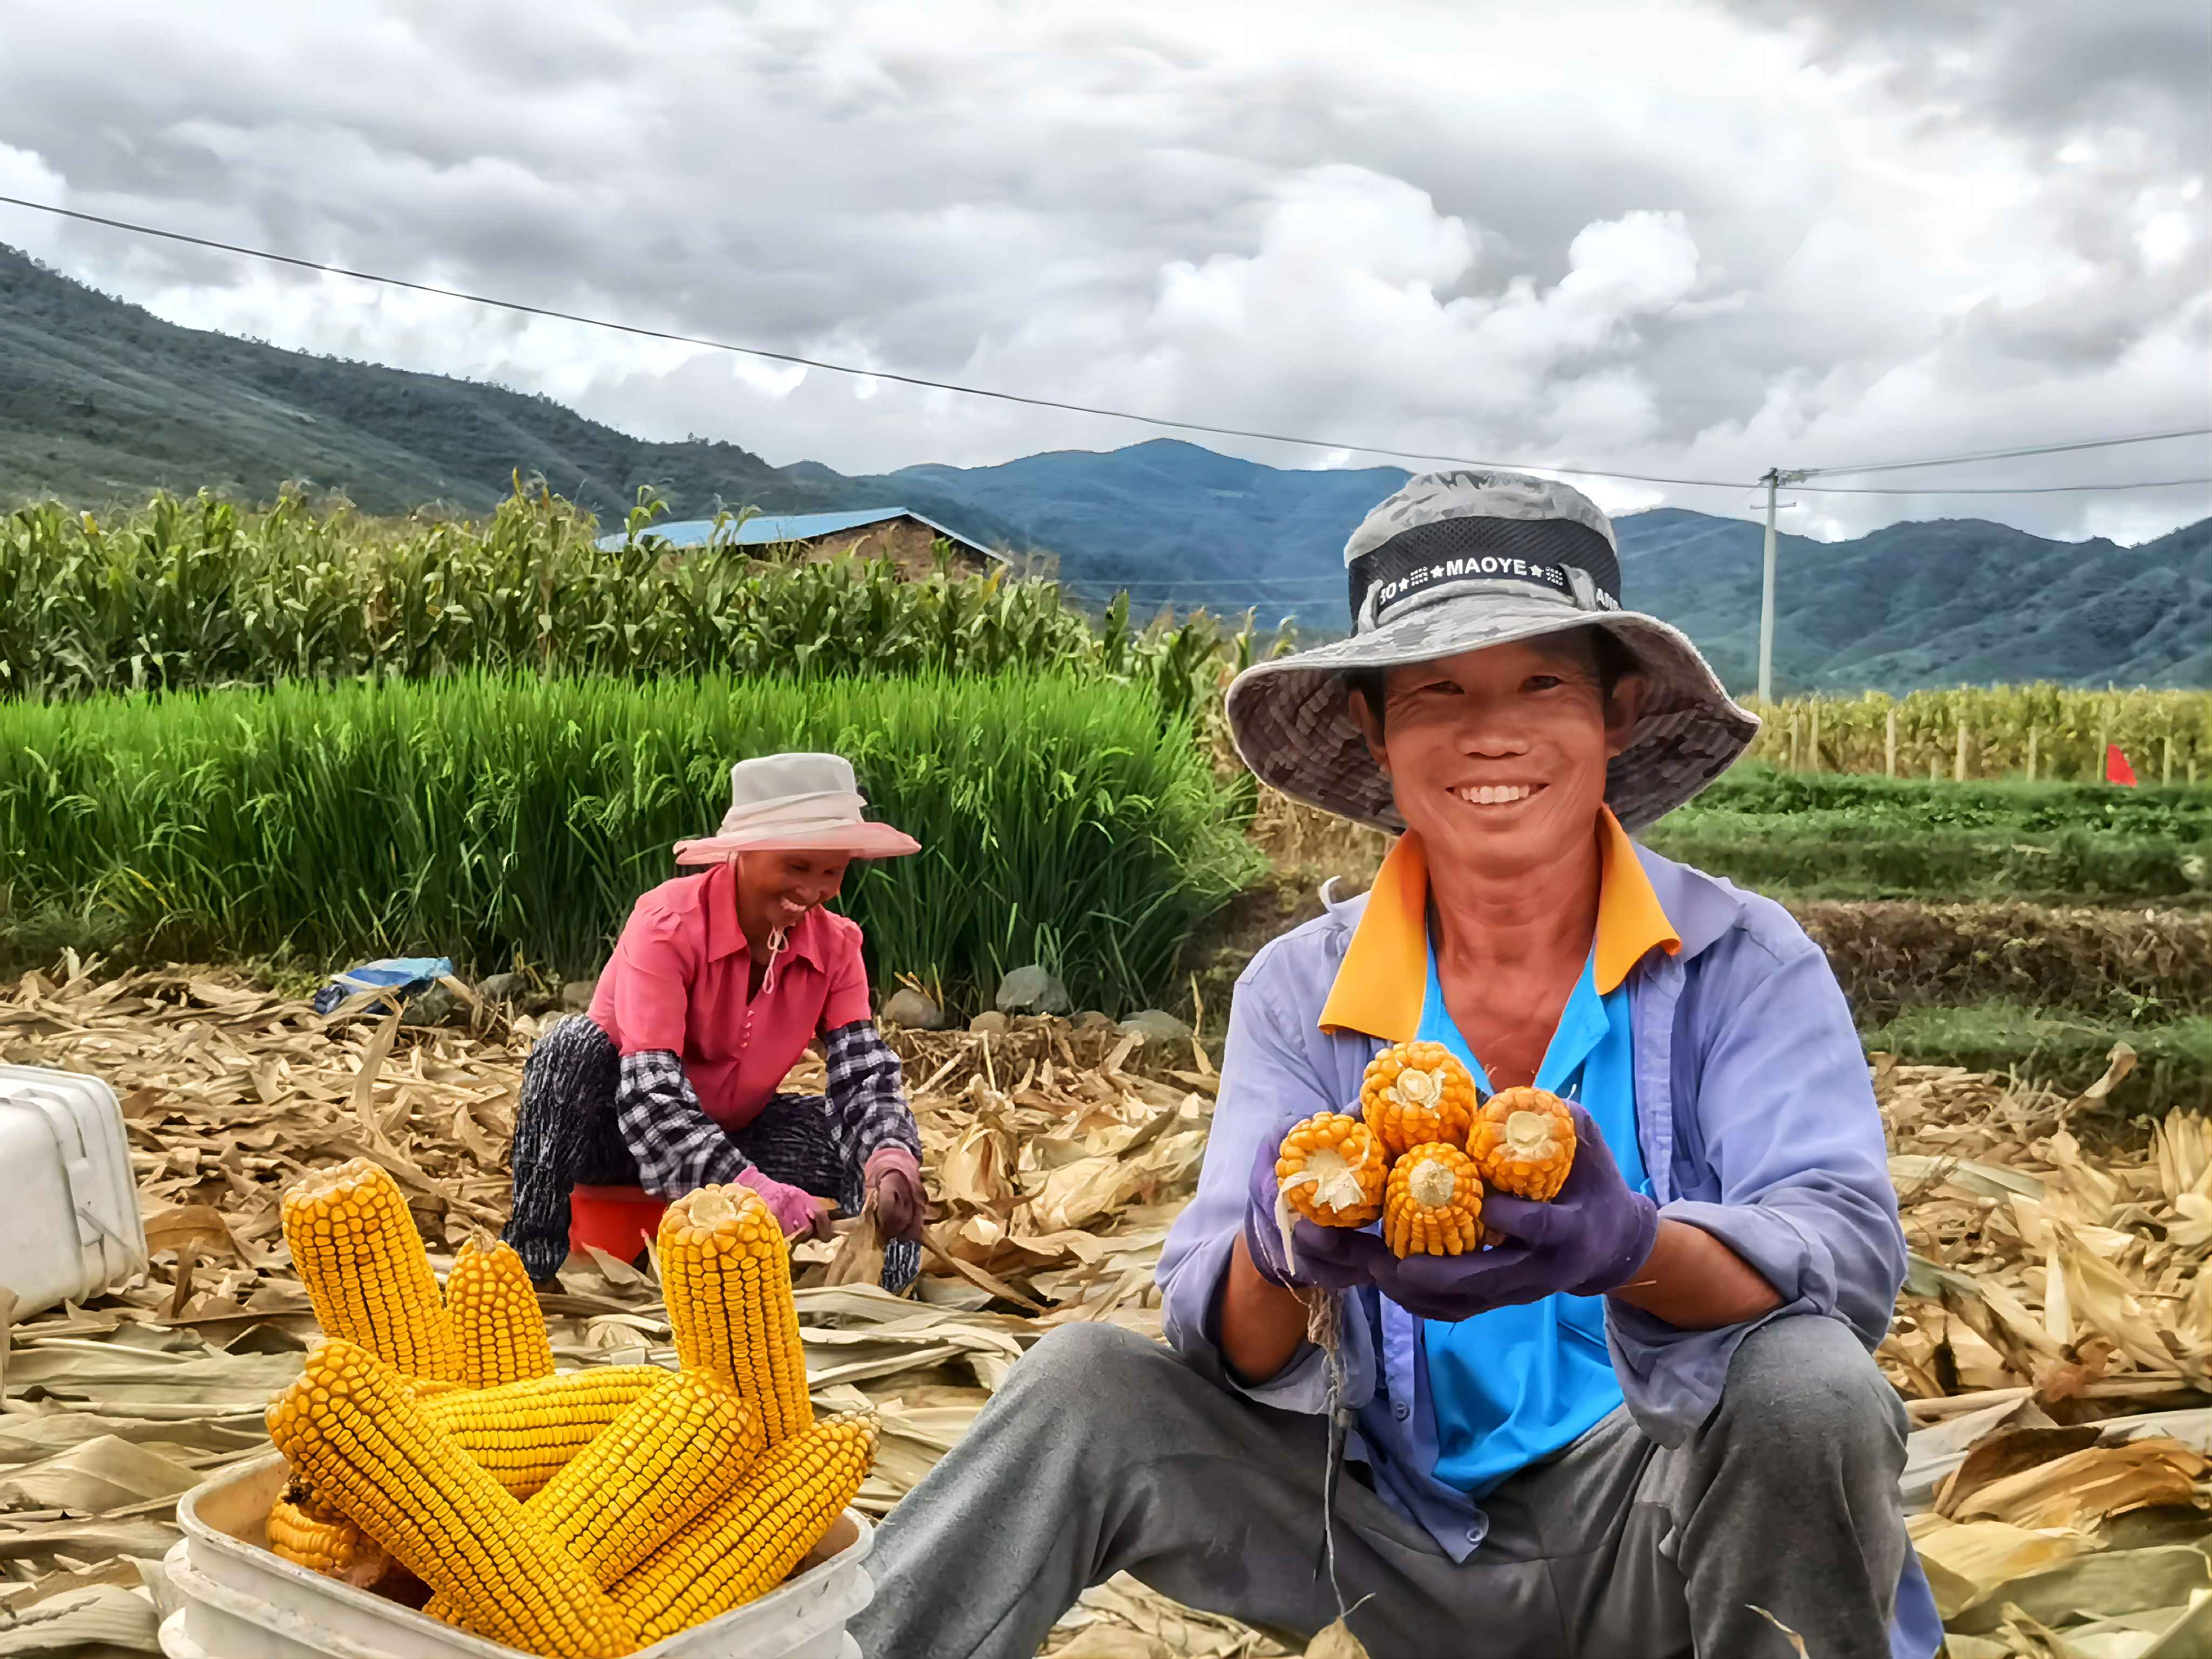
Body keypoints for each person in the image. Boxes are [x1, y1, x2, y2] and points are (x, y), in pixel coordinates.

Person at [852, 473, 1943, 1659]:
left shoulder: (1738, 960)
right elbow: (1221, 1339)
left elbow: (1841, 1260)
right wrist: (1281, 1254)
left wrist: (1627, 1245)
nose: (1491, 731)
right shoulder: (1297, 988)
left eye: (1541, 681)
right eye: (1436, 692)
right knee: (1081, 1384)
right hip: (1374, 1538)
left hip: (1658, 1524)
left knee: (1803, 1384)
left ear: (1615, 711)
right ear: (1375, 727)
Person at [504, 752, 928, 1294]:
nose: (814, 890)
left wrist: (890, 1162)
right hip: (614, 1137)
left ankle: (881, 1295)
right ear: (742, 856)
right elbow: (651, 1098)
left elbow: (864, 1080)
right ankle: (529, 1268)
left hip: (732, 1132)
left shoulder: (838, 946)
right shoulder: (666, 925)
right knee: (569, 1048)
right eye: (797, 867)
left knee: (868, 1142)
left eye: (832, 872)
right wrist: (750, 1190)